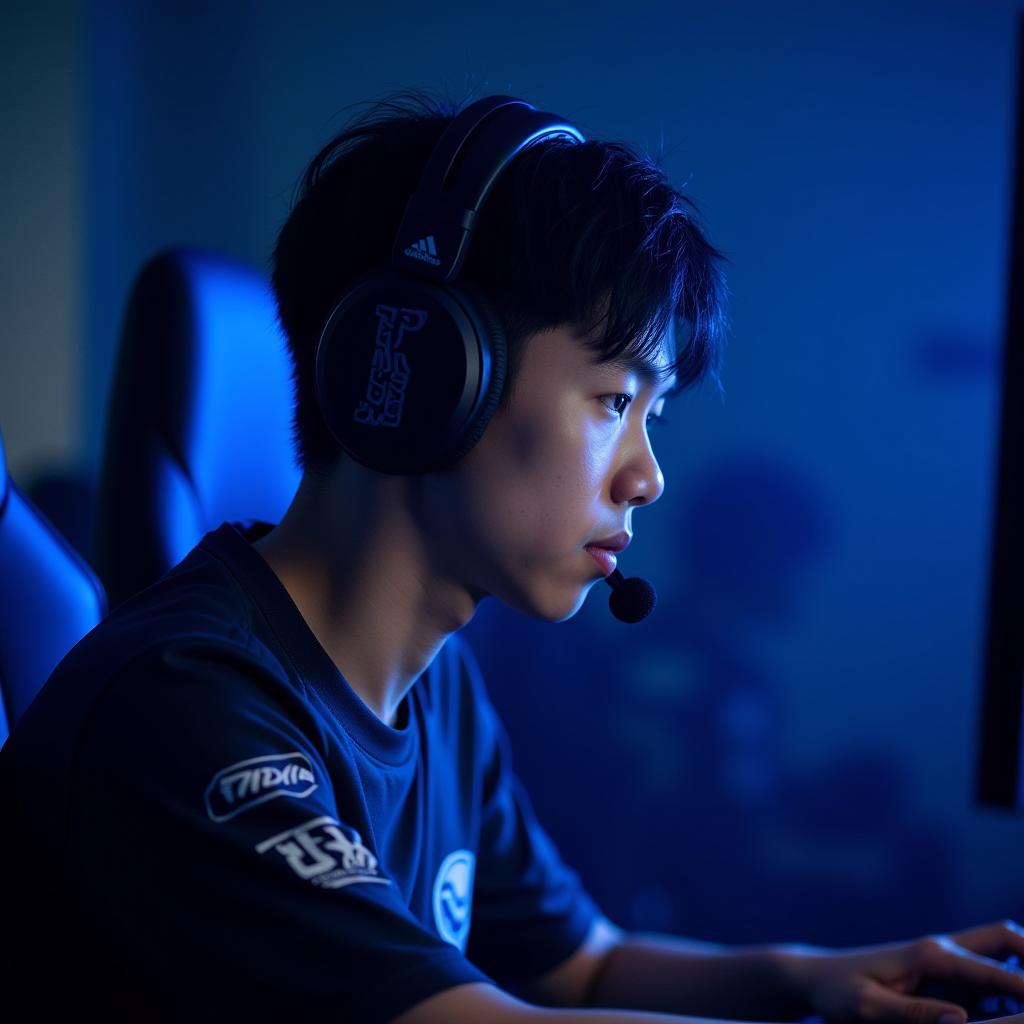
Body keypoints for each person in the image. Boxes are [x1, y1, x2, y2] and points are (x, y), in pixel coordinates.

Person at [1, 92, 1022, 1024]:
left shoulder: (433, 687)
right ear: (419, 373)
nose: (647, 478)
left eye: (650, 413)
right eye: (615, 402)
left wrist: (813, 978)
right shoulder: (186, 707)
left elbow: (585, 967)